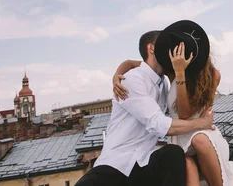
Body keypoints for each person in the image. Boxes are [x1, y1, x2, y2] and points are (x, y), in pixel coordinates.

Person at [113, 20, 233, 186]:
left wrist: (180, 74)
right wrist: (117, 74)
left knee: (199, 140)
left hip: (201, 132)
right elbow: (133, 63)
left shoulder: (212, 75)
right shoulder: (170, 69)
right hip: (179, 135)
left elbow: (185, 113)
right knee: (187, 164)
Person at [76, 30, 215, 186]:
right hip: (116, 163)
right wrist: (202, 123)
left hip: (144, 161)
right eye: (166, 46)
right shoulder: (133, 79)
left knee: (173, 154)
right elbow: (158, 124)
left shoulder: (164, 82)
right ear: (152, 49)